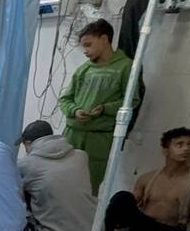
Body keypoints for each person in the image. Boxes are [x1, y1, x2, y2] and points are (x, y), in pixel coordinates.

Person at [100, 127, 190, 231]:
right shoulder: (147, 178)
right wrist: (118, 225)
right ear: (166, 150)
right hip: (142, 228)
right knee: (122, 196)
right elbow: (128, 205)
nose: (186, 149)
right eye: (179, 145)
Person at [59, 19, 140, 195]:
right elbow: (64, 99)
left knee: (89, 188)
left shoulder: (125, 67)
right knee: (63, 184)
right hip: (73, 135)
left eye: (88, 45)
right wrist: (75, 111)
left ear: (104, 39)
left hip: (99, 139)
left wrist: (105, 108)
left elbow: (132, 101)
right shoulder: (84, 70)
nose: (85, 51)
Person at [17, 120, 96, 231]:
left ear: (28, 143)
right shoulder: (81, 156)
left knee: (20, 214)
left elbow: (17, 198)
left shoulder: (25, 164)